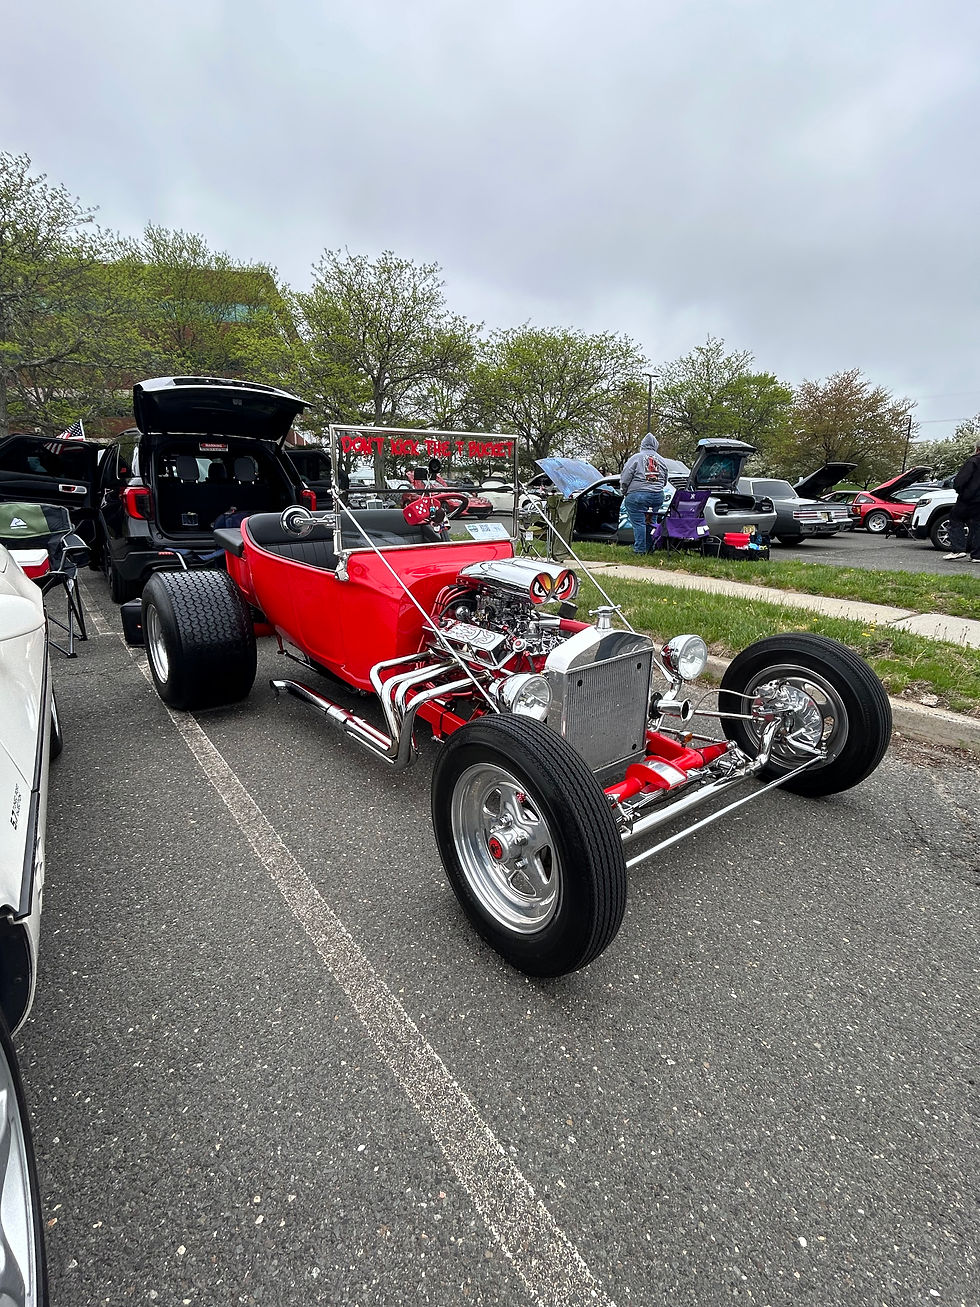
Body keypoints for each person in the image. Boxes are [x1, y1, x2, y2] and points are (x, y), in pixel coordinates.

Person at [620, 433, 669, 554]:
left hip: (637, 495)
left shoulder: (636, 458)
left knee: (639, 523)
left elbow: (625, 477)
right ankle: (650, 548)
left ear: (642, 445)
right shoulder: (661, 460)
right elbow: (665, 480)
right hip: (657, 496)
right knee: (651, 522)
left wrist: (624, 491)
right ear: (655, 445)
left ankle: (639, 550)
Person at [944, 441, 980, 561]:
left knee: (955, 520)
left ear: (977, 449)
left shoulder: (973, 461)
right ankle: (977, 555)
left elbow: (960, 480)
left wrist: (960, 490)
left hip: (968, 498)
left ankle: (958, 549)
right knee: (977, 526)